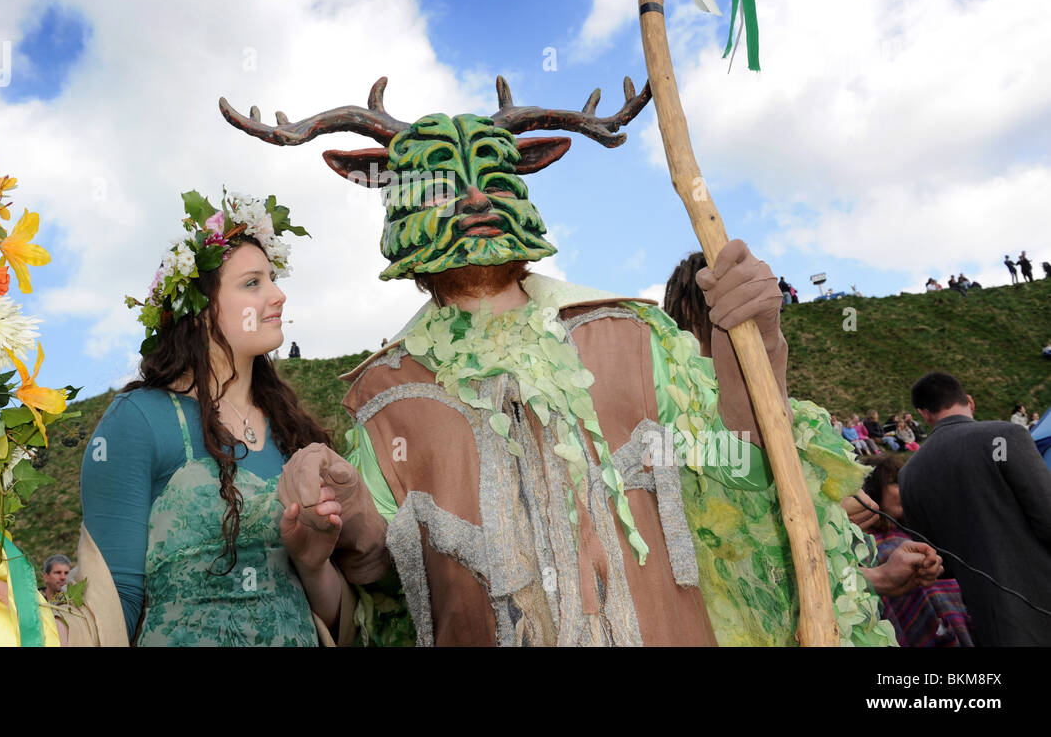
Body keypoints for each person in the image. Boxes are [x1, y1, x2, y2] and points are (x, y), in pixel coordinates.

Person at [223, 84, 895, 646]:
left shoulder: (634, 336)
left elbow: (743, 471)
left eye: (491, 178)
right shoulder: (384, 395)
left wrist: (756, 348)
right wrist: (339, 511)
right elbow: (382, 570)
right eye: (441, 186)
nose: (474, 202)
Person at [0, 190, 382, 647]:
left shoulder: (294, 433)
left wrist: (314, 564)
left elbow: (336, 619)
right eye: (252, 283)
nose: (278, 294)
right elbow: (114, 601)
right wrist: (27, 630)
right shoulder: (139, 421)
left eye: (273, 279)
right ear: (198, 312)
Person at [899, 371, 1051, 645]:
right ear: (969, 400)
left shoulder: (909, 473)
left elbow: (937, 563)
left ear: (924, 413)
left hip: (989, 619)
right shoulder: (1004, 435)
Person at [845, 455, 972, 647]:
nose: (905, 489)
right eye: (895, 483)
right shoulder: (863, 549)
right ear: (870, 490)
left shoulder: (913, 534)